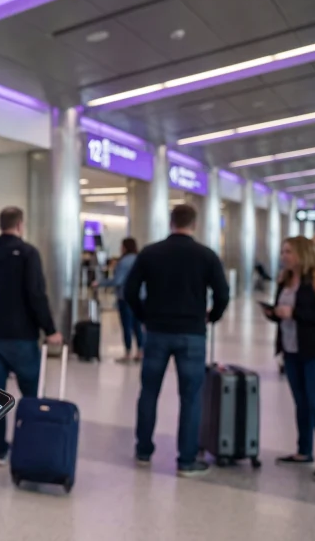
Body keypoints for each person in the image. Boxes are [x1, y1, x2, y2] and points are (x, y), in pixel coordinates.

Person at [124, 204, 230, 477]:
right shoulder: (206, 255)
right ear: (193, 224)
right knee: (191, 397)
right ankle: (186, 460)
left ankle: (144, 450)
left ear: (171, 222)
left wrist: (144, 315)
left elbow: (130, 291)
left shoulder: (151, 253)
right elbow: (222, 294)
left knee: (149, 392)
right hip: (192, 333)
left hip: (157, 331)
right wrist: (212, 316)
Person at [0, 207, 63, 466]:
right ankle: (29, 442)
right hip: (22, 337)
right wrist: (50, 329)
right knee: (30, 392)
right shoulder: (28, 253)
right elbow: (36, 294)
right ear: (20, 224)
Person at [263, 236, 315, 483]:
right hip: (292, 350)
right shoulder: (285, 280)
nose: (284, 256)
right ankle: (303, 450)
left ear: (303, 254)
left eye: (289, 252)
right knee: (302, 403)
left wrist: (294, 313)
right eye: (283, 251)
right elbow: (283, 312)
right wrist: (274, 314)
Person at [93, 237, 144, 364]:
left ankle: (127, 352)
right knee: (138, 325)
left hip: (125, 297)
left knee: (126, 325)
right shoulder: (140, 259)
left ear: (125, 247)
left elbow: (117, 281)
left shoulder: (124, 261)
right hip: (140, 297)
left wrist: (100, 283)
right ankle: (140, 351)